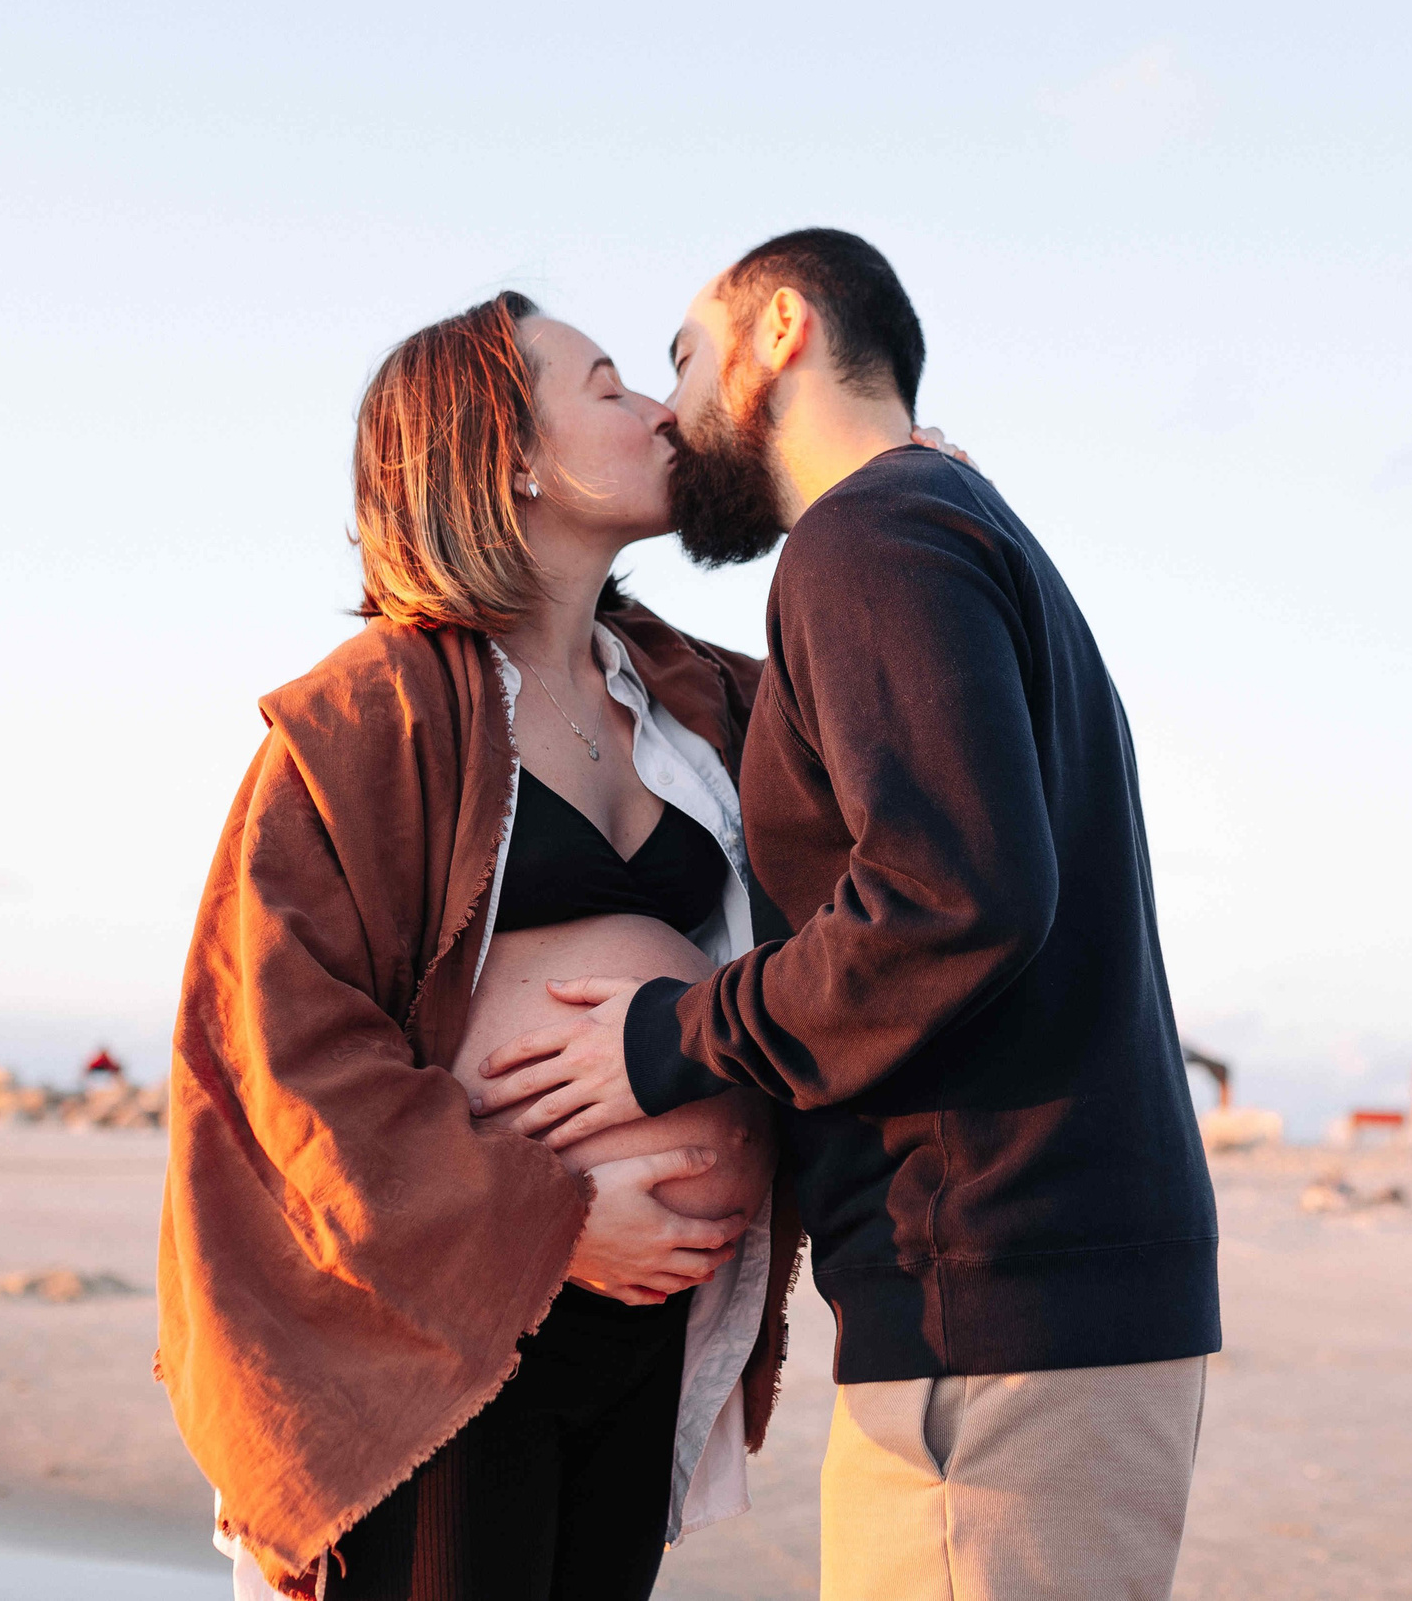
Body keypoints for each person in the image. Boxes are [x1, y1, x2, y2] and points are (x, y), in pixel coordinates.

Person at [471, 230, 1222, 1601]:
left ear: (780, 332)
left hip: (997, 1300)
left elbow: (949, 902)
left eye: (682, 359)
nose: (665, 409)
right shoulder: (938, 530)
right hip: (1045, 1291)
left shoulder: (870, 540)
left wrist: (664, 1041)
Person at [158, 292, 806, 1601]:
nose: (662, 412)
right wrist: (555, 1227)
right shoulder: (364, 723)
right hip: (440, 1338)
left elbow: (882, 846)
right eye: (614, 385)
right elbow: (278, 1052)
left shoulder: (710, 698)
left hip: (654, 1322)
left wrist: (888, 484)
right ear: (508, 455)